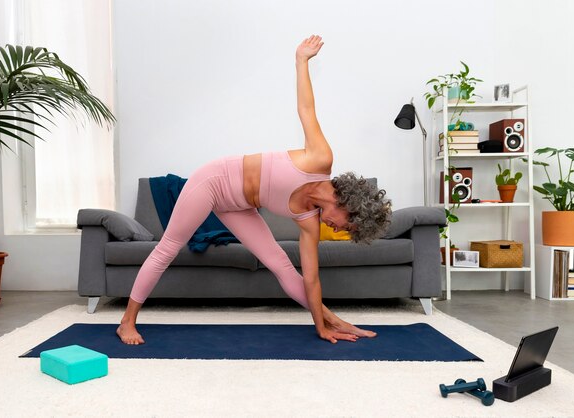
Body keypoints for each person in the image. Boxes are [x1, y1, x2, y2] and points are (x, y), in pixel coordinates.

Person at [117, 35, 391, 345]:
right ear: (349, 205)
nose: (338, 228)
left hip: (238, 206)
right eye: (348, 225)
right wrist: (301, 61)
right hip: (213, 181)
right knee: (167, 248)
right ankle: (127, 321)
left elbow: (311, 280)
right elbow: (306, 108)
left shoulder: (309, 221)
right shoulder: (319, 159)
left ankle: (334, 319)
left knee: (282, 266)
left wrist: (322, 325)